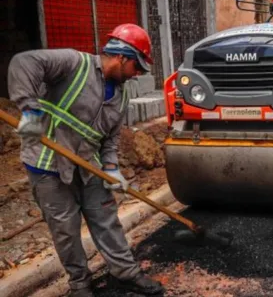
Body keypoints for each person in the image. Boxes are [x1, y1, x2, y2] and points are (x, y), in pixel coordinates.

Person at [7, 23, 165, 297]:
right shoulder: (73, 64)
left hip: (88, 167)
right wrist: (29, 109)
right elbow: (23, 63)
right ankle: (79, 284)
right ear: (122, 57)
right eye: (136, 66)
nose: (137, 73)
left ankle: (126, 273)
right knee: (65, 230)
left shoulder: (122, 93)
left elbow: (111, 138)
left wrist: (112, 169)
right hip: (47, 166)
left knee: (106, 219)